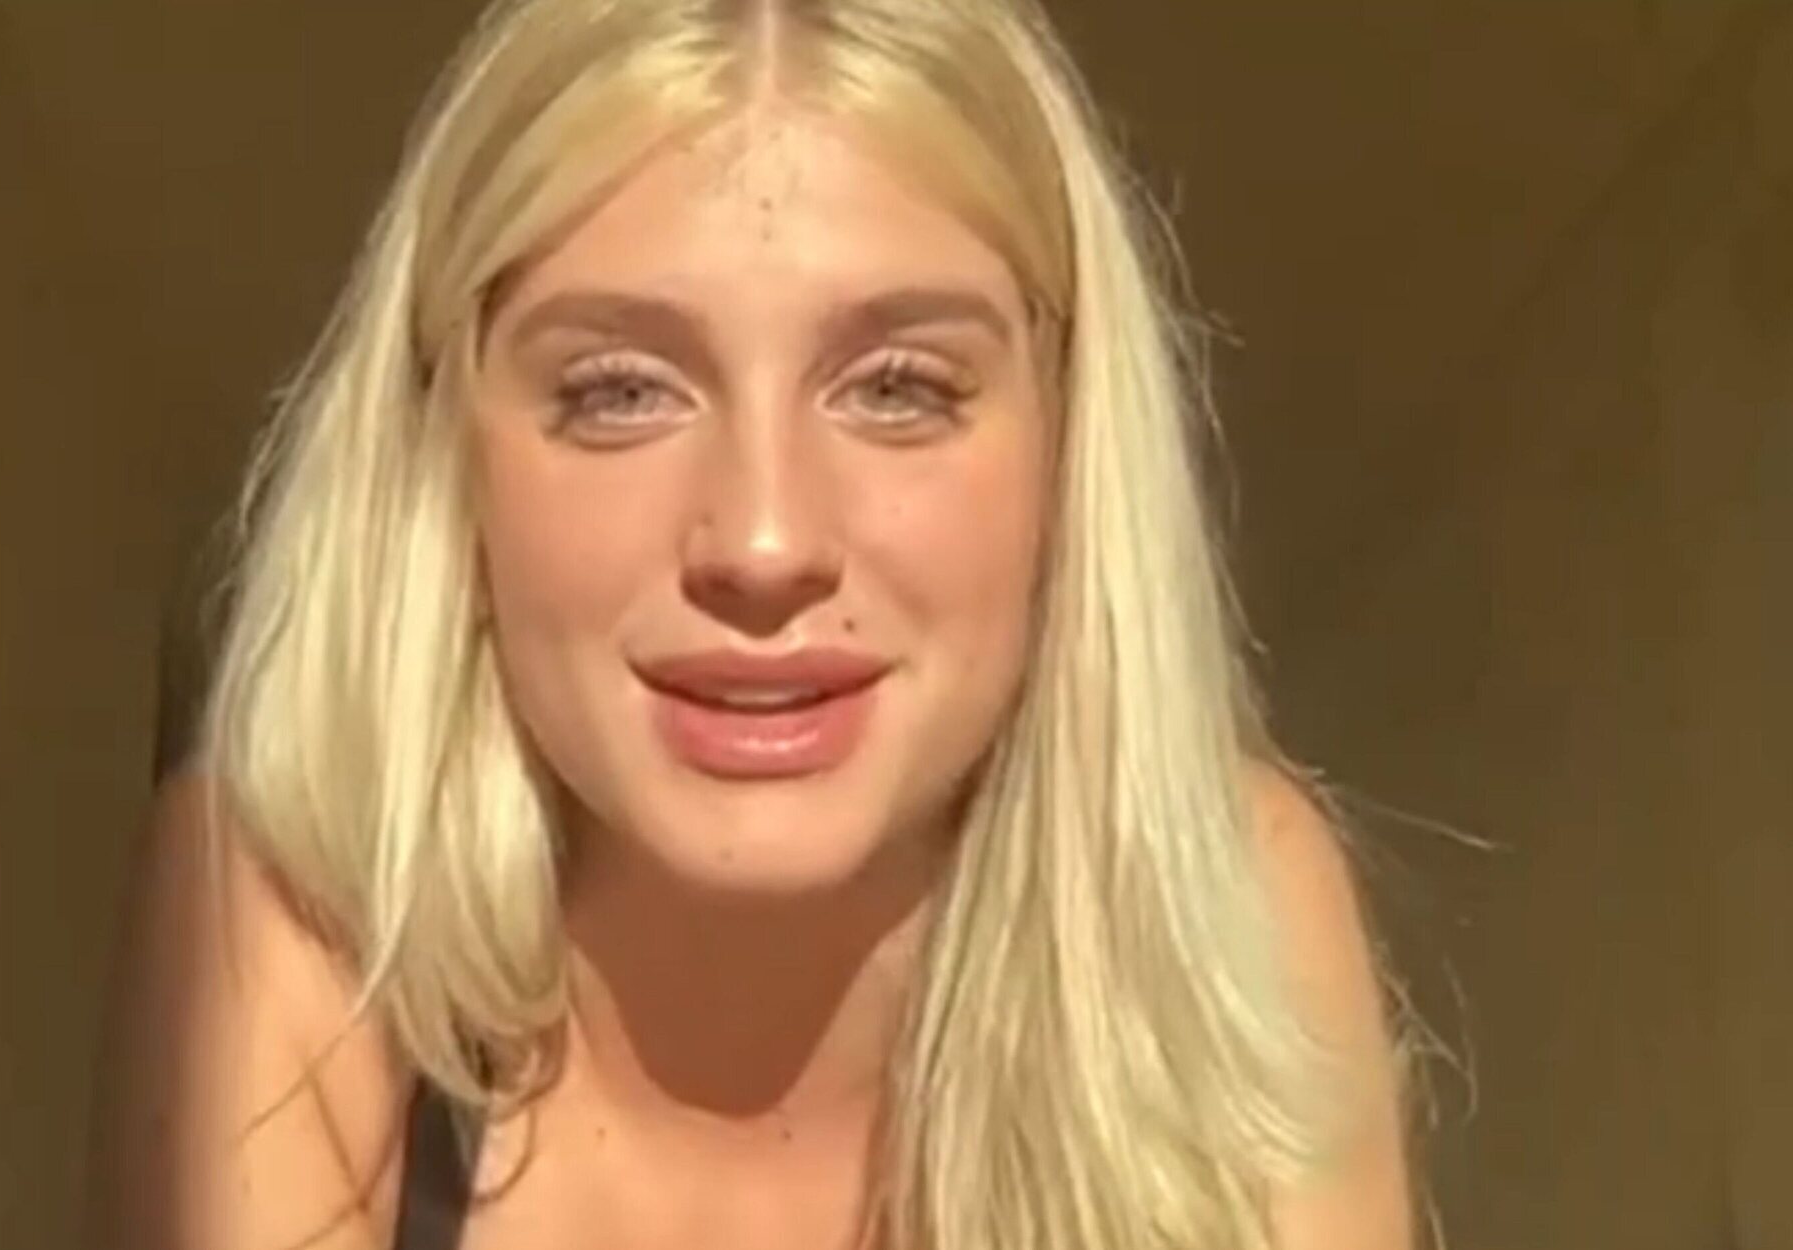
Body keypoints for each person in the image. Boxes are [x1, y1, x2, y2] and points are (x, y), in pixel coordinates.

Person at [90, 0, 1412, 1246]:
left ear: (1069, 442)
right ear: (447, 454)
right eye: (619, 392)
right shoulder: (296, 907)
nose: (765, 542)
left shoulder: (1226, 898)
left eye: (898, 387)